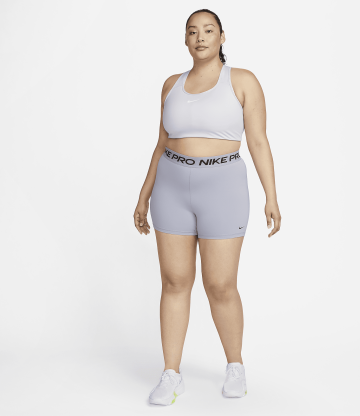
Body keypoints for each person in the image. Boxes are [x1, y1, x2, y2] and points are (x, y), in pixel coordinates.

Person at [133, 8, 281, 406]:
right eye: (192, 31)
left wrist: (271, 195)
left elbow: (259, 141)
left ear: (222, 37)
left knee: (220, 285)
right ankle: (171, 374)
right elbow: (161, 143)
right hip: (171, 186)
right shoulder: (171, 85)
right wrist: (144, 194)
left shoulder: (243, 81)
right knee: (174, 281)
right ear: (185, 39)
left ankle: (235, 365)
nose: (200, 37)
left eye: (208, 30)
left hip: (223, 187)